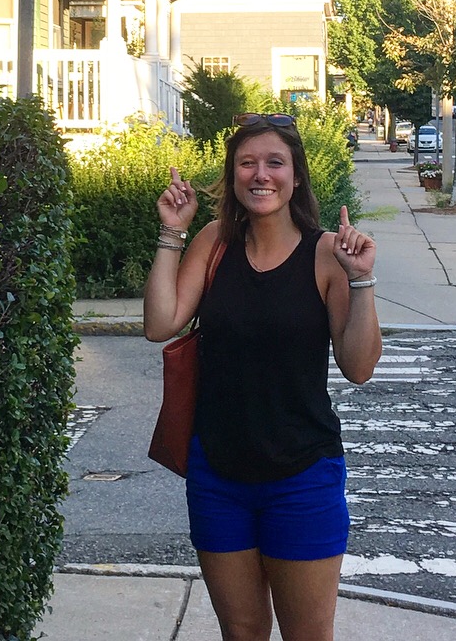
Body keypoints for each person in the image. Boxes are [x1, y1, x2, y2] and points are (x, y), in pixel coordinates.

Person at [144, 112, 382, 641]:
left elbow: (359, 367)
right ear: (233, 176)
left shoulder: (326, 253)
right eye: (247, 163)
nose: (260, 175)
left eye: (275, 163)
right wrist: (172, 231)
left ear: (295, 176)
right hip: (218, 476)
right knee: (242, 631)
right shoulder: (214, 242)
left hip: (303, 477)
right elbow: (160, 323)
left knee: (307, 634)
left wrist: (361, 281)